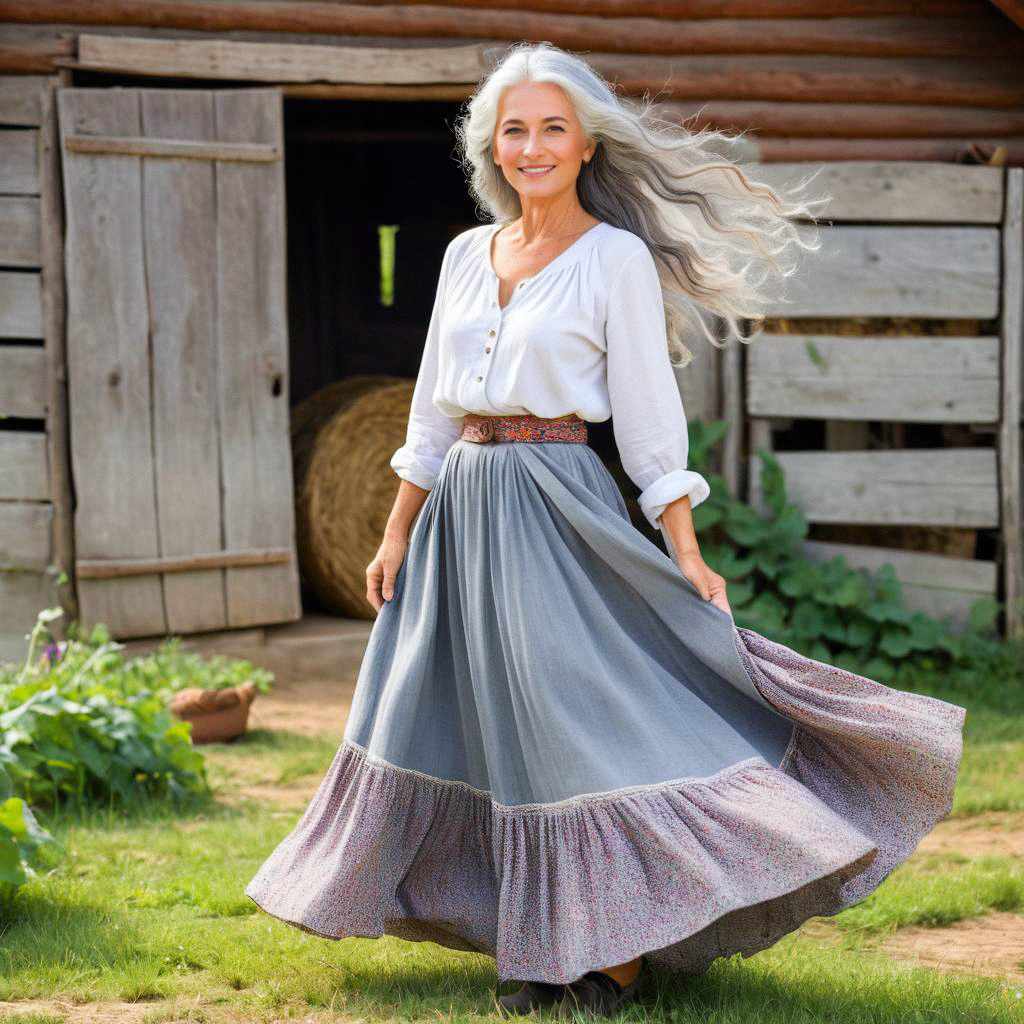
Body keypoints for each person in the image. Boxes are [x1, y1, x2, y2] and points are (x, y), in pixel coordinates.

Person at [245, 41, 966, 1019]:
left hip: (554, 503)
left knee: (572, 715)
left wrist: (685, 547)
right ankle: (535, 938)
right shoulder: (465, 257)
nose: (532, 145)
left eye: (552, 127)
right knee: (457, 715)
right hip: (461, 510)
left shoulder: (612, 259)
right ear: (490, 150)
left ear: (584, 144)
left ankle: (614, 952)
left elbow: (645, 407)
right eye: (514, 130)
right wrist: (394, 530)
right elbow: (431, 407)